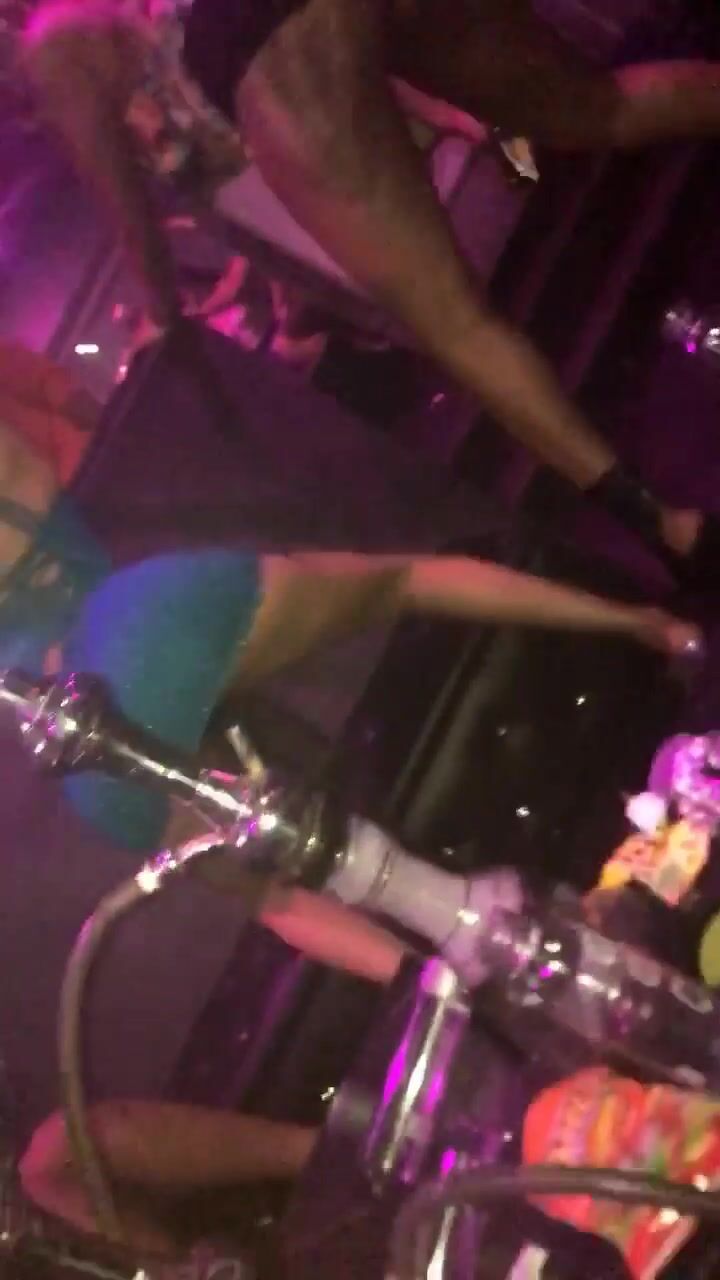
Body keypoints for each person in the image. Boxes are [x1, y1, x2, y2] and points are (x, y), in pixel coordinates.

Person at [18, 0, 720, 586]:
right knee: (596, 107)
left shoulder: (48, 47)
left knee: (455, 323)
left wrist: (161, 319)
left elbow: (126, 207)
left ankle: (670, 528)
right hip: (269, 31)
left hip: (261, 42)